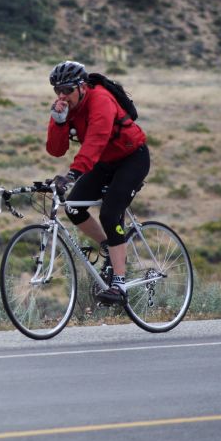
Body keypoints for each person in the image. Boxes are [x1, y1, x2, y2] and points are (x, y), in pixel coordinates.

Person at [46, 61, 150, 304]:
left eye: (67, 90)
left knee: (111, 212)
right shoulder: (67, 107)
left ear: (82, 87)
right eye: (57, 90)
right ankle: (109, 249)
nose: (62, 96)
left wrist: (73, 174)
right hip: (103, 162)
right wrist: (59, 122)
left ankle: (120, 284)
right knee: (73, 207)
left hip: (131, 158)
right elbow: (56, 149)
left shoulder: (101, 99)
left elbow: (96, 140)